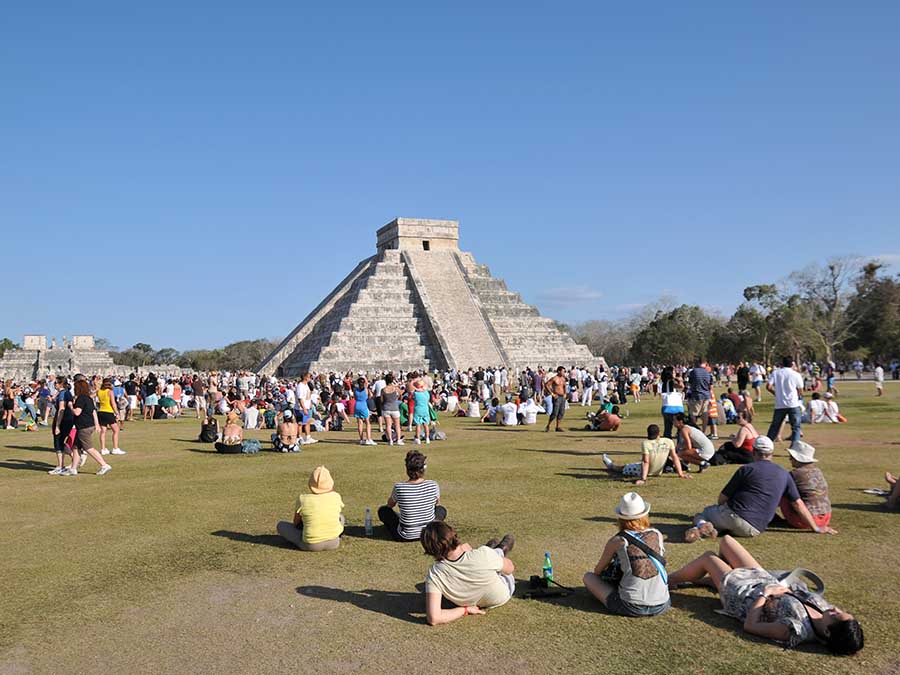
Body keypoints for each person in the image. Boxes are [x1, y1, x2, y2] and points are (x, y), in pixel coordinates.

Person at [667, 536, 863, 654]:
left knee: (708, 558)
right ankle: (705, 579)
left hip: (743, 595)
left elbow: (750, 626)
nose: (836, 609)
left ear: (828, 632)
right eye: (842, 611)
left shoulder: (794, 630)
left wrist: (765, 594)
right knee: (727, 541)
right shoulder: (823, 612)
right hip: (764, 580)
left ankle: (665, 581)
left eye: (837, 615)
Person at [684, 436, 836, 542]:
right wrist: (815, 528)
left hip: (737, 517)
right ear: (771, 453)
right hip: (756, 528)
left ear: (754, 452)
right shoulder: (784, 473)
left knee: (703, 514)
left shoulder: (746, 469)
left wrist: (723, 506)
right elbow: (798, 503)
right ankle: (715, 529)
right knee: (728, 522)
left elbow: (722, 498)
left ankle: (702, 526)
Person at [583, 492, 670, 617]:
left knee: (589, 577)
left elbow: (598, 571)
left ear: (621, 518)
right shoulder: (657, 534)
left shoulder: (618, 541)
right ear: (645, 514)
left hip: (629, 606)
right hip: (662, 604)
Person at [421, 521, 515, 625]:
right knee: (493, 557)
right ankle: (500, 549)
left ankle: (495, 549)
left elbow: (434, 617)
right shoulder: (483, 554)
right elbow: (510, 569)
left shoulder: (435, 574)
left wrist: (464, 609)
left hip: (468, 601)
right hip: (502, 594)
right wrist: (474, 552)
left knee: (487, 558)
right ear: (452, 534)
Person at [378, 451, 445, 542]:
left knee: (383, 511)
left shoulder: (399, 487)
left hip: (405, 535)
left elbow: (389, 505)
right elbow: (437, 504)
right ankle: (432, 528)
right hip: (428, 534)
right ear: (423, 468)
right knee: (441, 510)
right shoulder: (433, 485)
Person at [275, 466, 344, 551]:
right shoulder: (336, 496)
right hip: (334, 543)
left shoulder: (303, 499)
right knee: (341, 517)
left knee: (281, 525)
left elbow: (296, 522)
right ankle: (334, 535)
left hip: (311, 545)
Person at [602, 424, 690, 484]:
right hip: (658, 471)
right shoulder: (668, 441)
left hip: (644, 470)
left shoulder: (646, 443)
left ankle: (611, 466)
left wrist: (643, 479)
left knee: (623, 468)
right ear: (659, 433)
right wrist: (680, 474)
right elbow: (675, 457)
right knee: (636, 464)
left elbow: (646, 462)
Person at [777, 441, 832, 530]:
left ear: (798, 458)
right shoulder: (818, 471)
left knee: (784, 493)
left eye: (791, 457)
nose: (790, 459)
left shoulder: (794, 474)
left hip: (805, 521)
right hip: (826, 517)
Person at [71, 378, 112, 475]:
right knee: (75, 447)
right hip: (89, 425)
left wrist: (70, 406)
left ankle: (104, 465)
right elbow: (93, 411)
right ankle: (73, 468)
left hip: (83, 426)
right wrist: (97, 424)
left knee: (88, 448)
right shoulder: (89, 398)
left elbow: (77, 412)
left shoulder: (80, 399)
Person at [766, 356, 804, 444]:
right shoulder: (796, 374)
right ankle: (795, 448)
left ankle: (765, 446)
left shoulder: (776, 373)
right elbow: (800, 390)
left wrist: (776, 394)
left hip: (780, 404)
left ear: (782, 363)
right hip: (793, 404)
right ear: (792, 364)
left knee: (774, 427)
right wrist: (798, 396)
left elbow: (768, 386)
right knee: (796, 427)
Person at [49, 377, 75, 475]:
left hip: (62, 420)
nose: (54, 385)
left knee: (58, 443)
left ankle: (60, 466)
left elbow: (61, 409)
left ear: (60, 384)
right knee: (62, 442)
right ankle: (73, 458)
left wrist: (57, 425)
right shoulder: (67, 393)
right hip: (69, 420)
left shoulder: (62, 394)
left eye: (56, 383)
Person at [96, 378, 125, 456]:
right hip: (108, 411)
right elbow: (113, 403)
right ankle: (115, 448)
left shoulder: (99, 391)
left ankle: (103, 449)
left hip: (100, 411)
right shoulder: (110, 392)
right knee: (116, 430)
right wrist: (117, 413)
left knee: (103, 431)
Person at [687, 359, 713, 428]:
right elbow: (711, 386)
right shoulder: (708, 373)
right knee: (705, 414)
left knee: (693, 414)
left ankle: (694, 429)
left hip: (696, 395)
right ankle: (703, 431)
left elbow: (690, 383)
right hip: (706, 395)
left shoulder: (693, 372)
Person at [380, 373, 404, 445]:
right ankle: (398, 439)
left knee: (388, 425)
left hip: (386, 407)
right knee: (397, 425)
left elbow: (381, 400)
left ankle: (390, 440)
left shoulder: (383, 390)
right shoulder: (395, 388)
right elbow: (401, 393)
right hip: (394, 407)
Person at [544, 366, 568, 432]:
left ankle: (558, 426)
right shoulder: (554, 378)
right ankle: (548, 425)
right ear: (559, 371)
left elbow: (564, 386)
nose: (564, 373)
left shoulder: (563, 379)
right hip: (556, 397)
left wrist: (565, 393)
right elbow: (546, 385)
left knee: (561, 412)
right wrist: (552, 393)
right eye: (563, 371)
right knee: (555, 412)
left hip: (562, 397)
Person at [412, 380, 431, 444]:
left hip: (418, 409)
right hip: (425, 409)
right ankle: (427, 438)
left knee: (418, 425)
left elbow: (412, 396)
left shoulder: (416, 393)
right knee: (426, 425)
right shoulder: (426, 393)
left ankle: (418, 438)